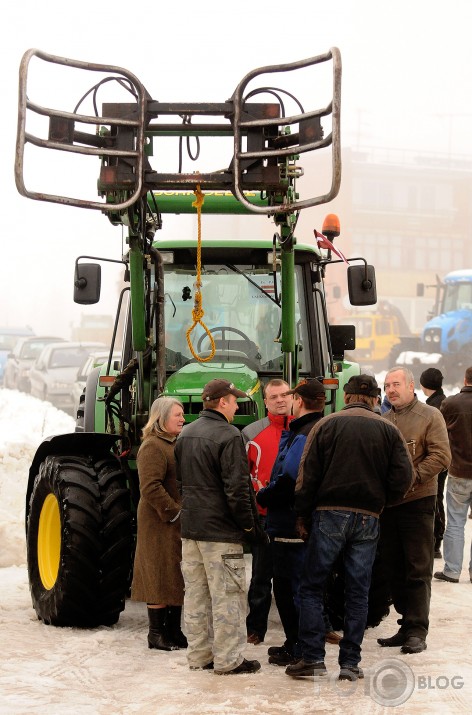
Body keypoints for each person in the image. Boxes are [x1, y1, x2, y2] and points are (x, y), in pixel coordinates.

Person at [285, 375, 413, 682]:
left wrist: (302, 516)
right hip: (369, 516)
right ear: (374, 398)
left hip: (329, 514)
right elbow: (404, 479)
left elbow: (307, 476)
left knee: (313, 586)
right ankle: (350, 663)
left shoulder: (325, 425)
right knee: (358, 591)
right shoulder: (389, 429)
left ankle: (313, 657)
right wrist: (381, 502)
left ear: (346, 396)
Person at [175, 378, 265, 675]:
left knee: (196, 595)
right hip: (221, 532)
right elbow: (237, 489)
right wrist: (250, 528)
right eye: (234, 400)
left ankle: (199, 656)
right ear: (223, 402)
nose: (237, 405)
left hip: (191, 530)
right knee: (228, 596)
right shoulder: (229, 435)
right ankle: (229, 660)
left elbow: (181, 482)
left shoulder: (185, 434)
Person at [256, 378, 340, 668]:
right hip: (310, 520)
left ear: (299, 401)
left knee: (294, 590)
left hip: (290, 522)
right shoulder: (325, 428)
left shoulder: (304, 432)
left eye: (288, 395)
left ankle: (303, 650)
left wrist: (264, 495)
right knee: (302, 588)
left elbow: (290, 478)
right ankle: (298, 646)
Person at [378, 366, 451, 654]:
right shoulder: (383, 420)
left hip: (418, 502)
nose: (391, 390)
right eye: (386, 386)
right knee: (393, 567)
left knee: (418, 568)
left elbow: (442, 455)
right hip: (389, 505)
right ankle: (405, 624)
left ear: (411, 386)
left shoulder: (430, 416)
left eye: (396, 384)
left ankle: (417, 629)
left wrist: (413, 477)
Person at [131, 396, 187, 651]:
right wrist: (175, 512)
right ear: (162, 418)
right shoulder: (153, 446)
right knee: (157, 572)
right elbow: (150, 487)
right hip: (158, 520)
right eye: (178, 415)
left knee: (174, 572)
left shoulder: (173, 444)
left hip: (172, 520)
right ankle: (156, 634)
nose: (183, 419)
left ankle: (173, 630)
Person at [242, 379, 293, 645]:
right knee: (262, 576)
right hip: (266, 516)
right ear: (265, 402)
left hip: (297, 516)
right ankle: (255, 629)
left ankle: (306, 629)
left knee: (302, 576)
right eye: (274, 397)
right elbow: (243, 475)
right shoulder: (252, 433)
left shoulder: (307, 429)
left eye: (285, 394)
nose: (281, 400)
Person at [434, 366, 472, 584]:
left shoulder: (451, 403)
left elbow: (439, 431)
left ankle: (452, 571)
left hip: (458, 471)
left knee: (456, 522)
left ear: (465, 380)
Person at [419, 367, 448, 558]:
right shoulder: (443, 402)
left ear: (423, 385)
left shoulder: (434, 408)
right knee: (438, 498)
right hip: (444, 458)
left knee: (435, 498)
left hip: (435, 459)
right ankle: (437, 540)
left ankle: (436, 540)